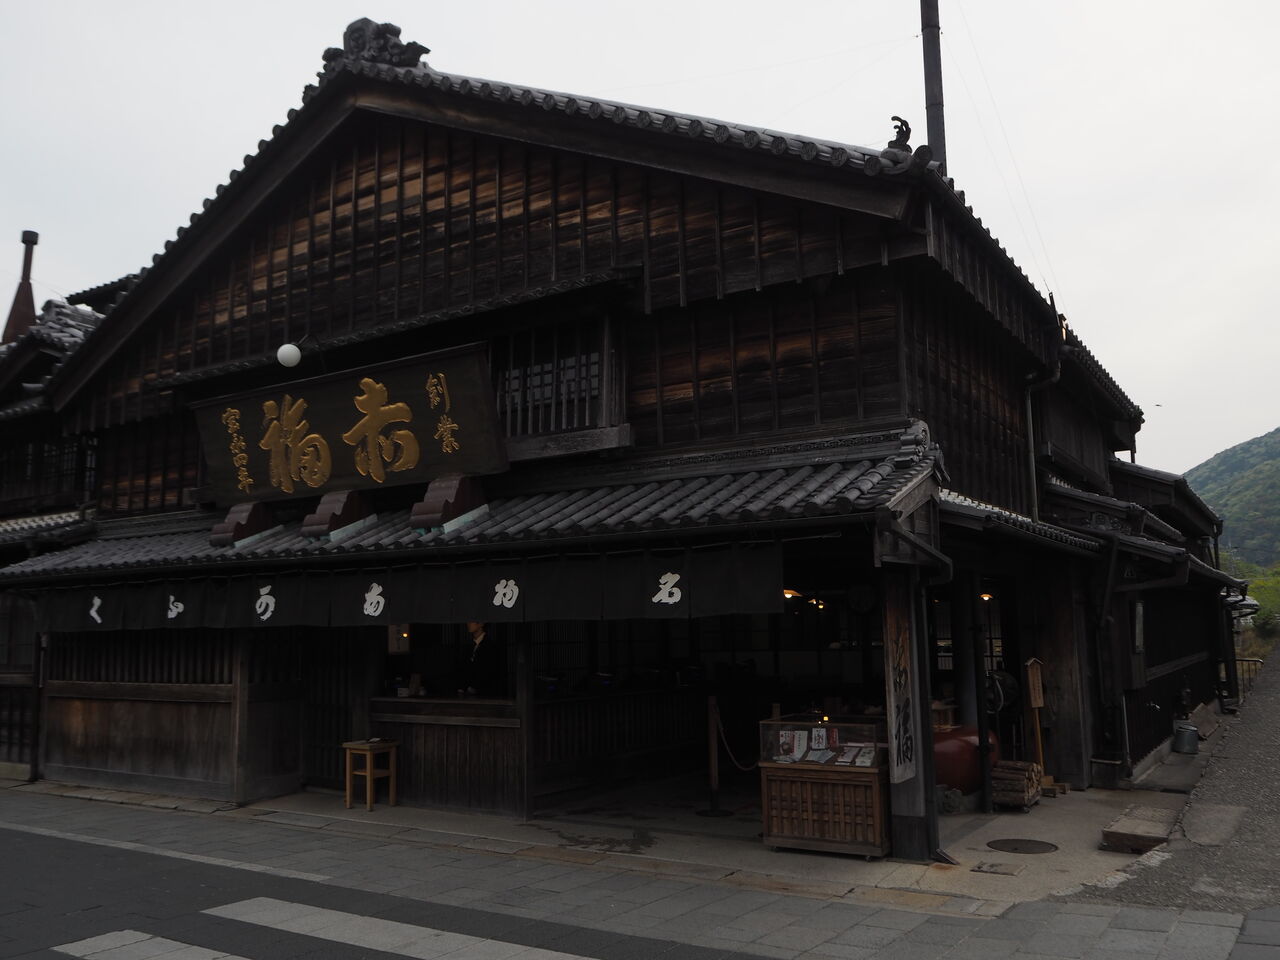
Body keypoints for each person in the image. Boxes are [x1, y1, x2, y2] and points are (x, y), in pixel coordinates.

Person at [459, 621, 504, 697]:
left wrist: (475, 687)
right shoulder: (468, 646)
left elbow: (489, 671)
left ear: (481, 623)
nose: (468, 623)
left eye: (472, 620)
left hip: (485, 693)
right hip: (468, 692)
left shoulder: (490, 646)